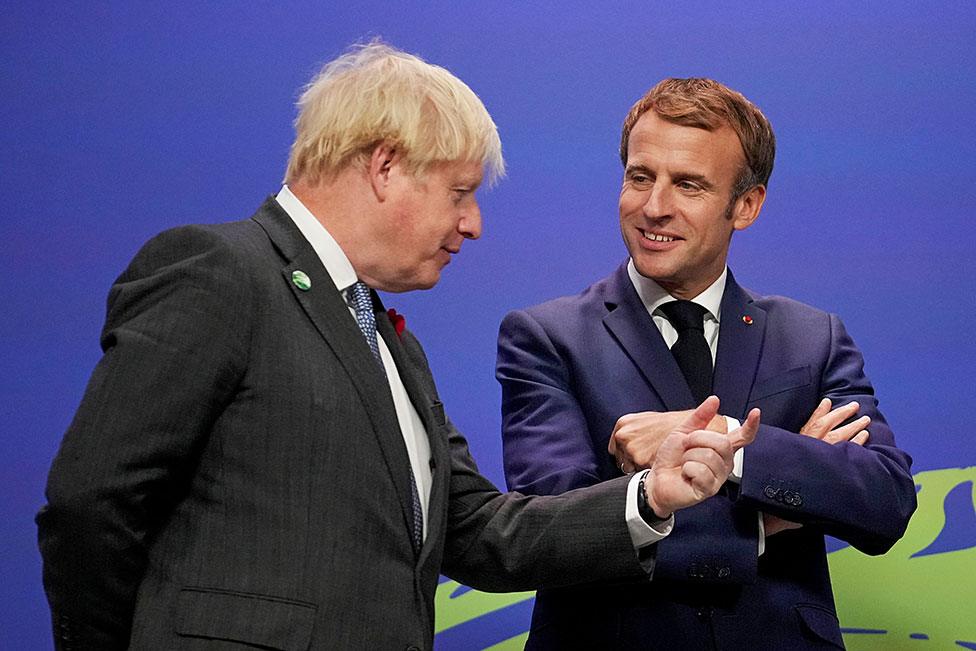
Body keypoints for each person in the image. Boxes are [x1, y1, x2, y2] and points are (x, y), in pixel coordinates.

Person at [36, 46, 755, 651]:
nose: (472, 224)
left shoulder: (383, 335)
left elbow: (479, 531)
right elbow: (92, 503)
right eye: (461, 192)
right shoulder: (220, 271)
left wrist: (651, 496)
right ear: (385, 167)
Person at [496, 77, 917, 650]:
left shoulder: (811, 337)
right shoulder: (546, 337)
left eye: (688, 185)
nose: (654, 207)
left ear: (745, 205)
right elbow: (557, 533)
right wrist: (771, 514)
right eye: (640, 177)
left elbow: (885, 501)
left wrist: (731, 445)